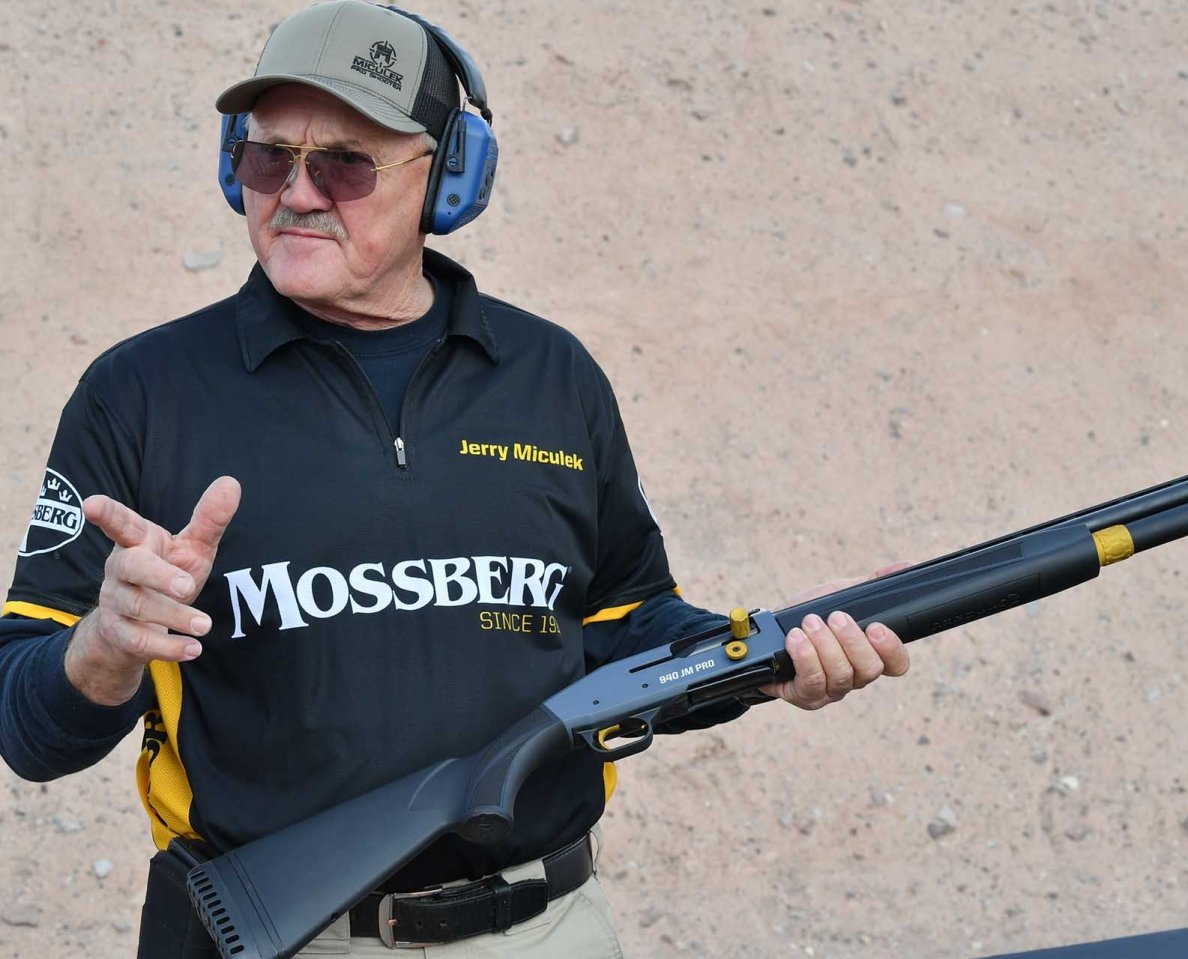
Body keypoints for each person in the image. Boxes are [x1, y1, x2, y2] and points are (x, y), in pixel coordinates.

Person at [0, 2, 909, 956]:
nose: (299, 193)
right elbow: (28, 727)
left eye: (345, 163)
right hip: (267, 932)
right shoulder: (140, 394)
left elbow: (625, 628)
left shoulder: (551, 377)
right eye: (269, 157)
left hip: (544, 927)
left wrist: (770, 663)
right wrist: (105, 645)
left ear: (449, 175)